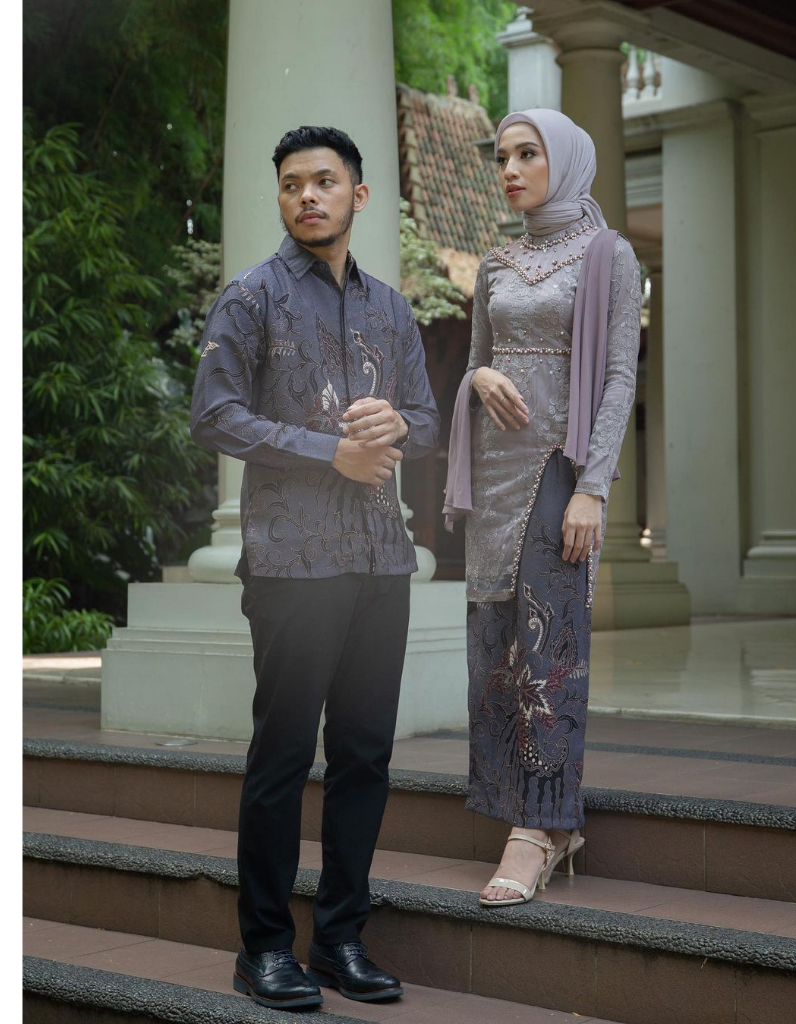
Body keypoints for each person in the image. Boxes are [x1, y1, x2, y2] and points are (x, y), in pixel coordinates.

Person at [190, 125, 440, 1008]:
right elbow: (213, 415)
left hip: (381, 561)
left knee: (365, 755)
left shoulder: (392, 310)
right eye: (293, 182)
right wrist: (325, 450)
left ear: (357, 196)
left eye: (325, 181)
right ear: (282, 196)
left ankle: (339, 939)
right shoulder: (250, 297)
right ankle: (263, 947)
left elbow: (427, 420)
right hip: (293, 564)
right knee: (285, 756)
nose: (308, 195)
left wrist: (399, 426)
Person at [443, 109, 641, 906]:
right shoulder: (495, 264)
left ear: (564, 159)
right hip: (492, 475)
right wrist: (478, 379)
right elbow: (475, 363)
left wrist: (594, 485)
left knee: (548, 645)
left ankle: (542, 828)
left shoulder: (608, 255)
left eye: (528, 154)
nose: (511, 170)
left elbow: (620, 375)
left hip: (560, 468)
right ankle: (526, 813)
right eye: (502, 158)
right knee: (496, 645)